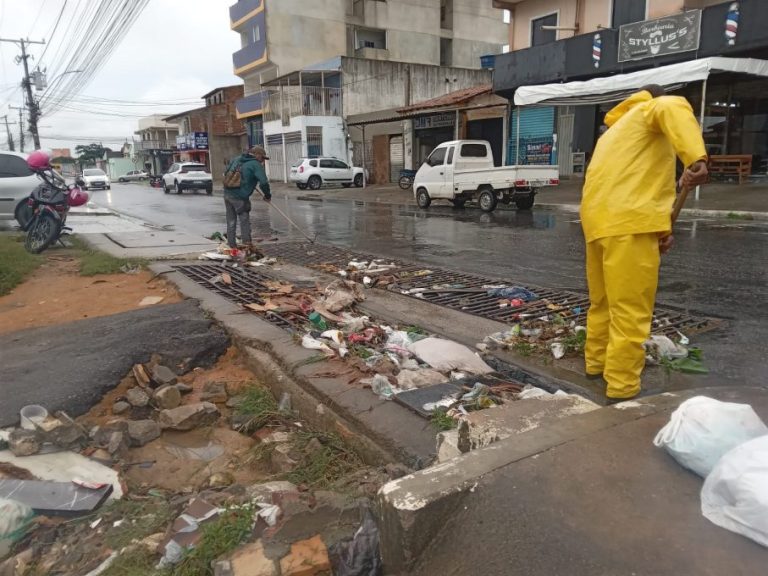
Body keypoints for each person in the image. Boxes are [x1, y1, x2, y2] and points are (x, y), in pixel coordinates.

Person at [580, 84, 708, 404]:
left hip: (598, 225)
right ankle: (622, 387)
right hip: (629, 223)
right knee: (630, 311)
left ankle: (596, 365)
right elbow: (671, 106)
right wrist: (695, 158)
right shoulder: (652, 108)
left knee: (603, 304)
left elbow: (635, 179)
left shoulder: (612, 133)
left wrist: (659, 229)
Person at [222, 145, 272, 251]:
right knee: (244, 221)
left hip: (227, 194)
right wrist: (267, 195)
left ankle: (232, 246)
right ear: (257, 155)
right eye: (263, 158)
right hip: (240, 197)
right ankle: (247, 246)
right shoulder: (255, 164)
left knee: (231, 221)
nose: (263, 161)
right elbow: (263, 182)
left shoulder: (236, 159)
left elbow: (226, 173)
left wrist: (249, 182)